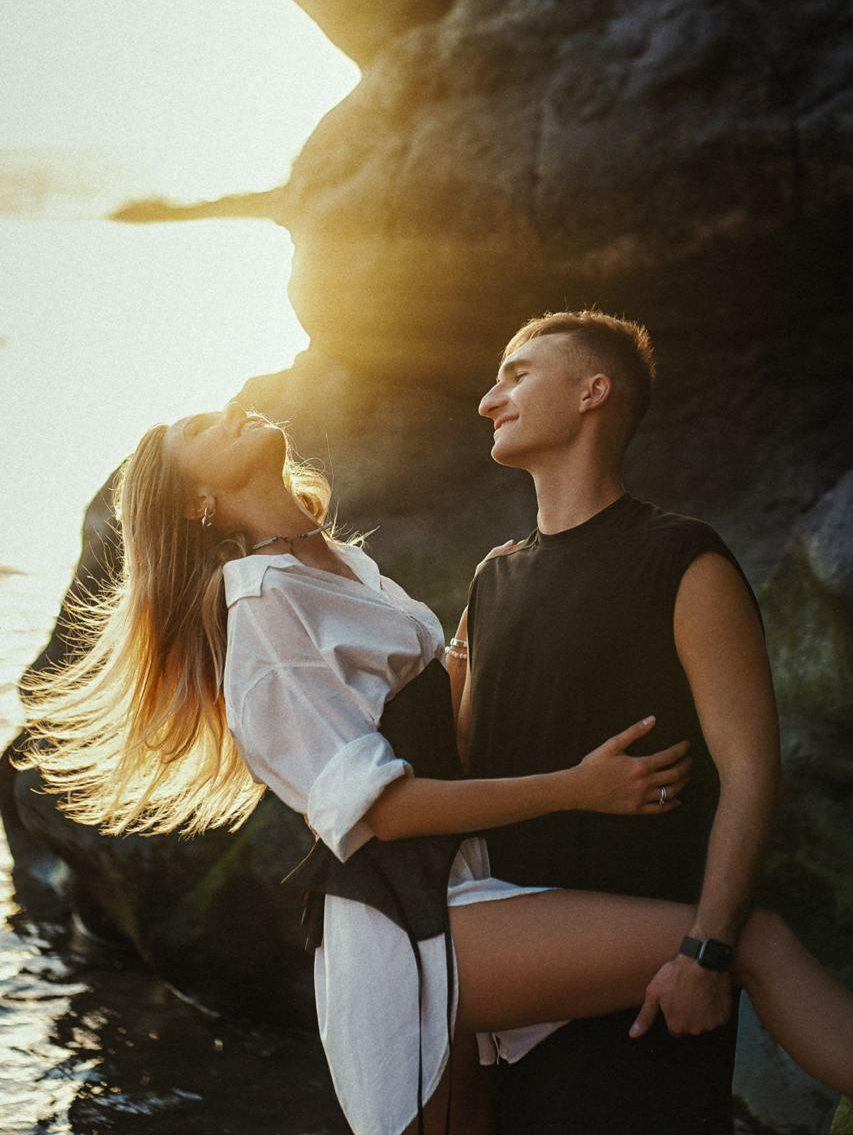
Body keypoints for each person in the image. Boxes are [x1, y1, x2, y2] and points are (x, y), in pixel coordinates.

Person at [20, 401, 853, 1135]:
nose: (228, 411)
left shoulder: (339, 565)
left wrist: (507, 610)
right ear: (196, 502)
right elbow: (380, 809)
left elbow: (437, 713)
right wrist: (577, 788)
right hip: (407, 925)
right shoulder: (261, 600)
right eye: (201, 429)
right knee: (747, 937)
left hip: (461, 896)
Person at [461, 308, 786, 1134]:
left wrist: (705, 952)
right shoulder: (491, 580)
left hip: (656, 985)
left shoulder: (683, 558)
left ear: (591, 392)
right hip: (522, 994)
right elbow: (458, 771)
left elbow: (750, 771)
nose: (488, 400)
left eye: (517, 373)